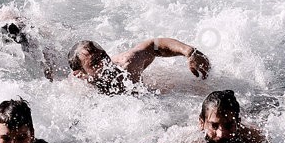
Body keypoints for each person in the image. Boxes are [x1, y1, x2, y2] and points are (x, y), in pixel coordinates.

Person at [138, 90, 267, 143]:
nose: (221, 134)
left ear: (238, 123)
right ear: (202, 123)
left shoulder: (251, 137)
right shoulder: (189, 140)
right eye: (214, 125)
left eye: (228, 125)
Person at [68, 38, 210, 95]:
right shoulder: (79, 90)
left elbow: (154, 45)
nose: (105, 63)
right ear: (81, 74)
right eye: (95, 63)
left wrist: (189, 52)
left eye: (104, 56)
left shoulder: (127, 65)